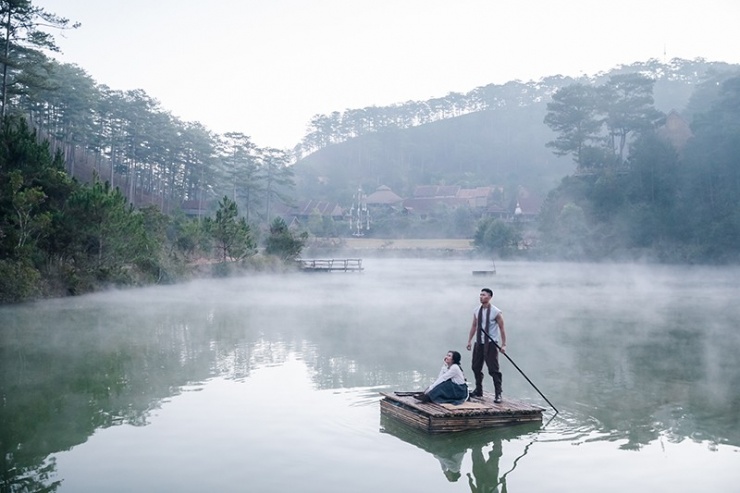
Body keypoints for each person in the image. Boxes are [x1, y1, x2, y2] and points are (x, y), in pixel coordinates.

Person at [466, 288, 506, 403]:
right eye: (480, 295)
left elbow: (502, 328)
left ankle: (498, 393)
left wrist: (504, 345)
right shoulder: (477, 310)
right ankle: (479, 390)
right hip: (479, 342)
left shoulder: (496, 312)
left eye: (483, 295)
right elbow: (474, 326)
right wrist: (469, 341)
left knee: (493, 369)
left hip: (491, 343)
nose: (481, 297)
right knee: (475, 367)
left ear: (489, 297)